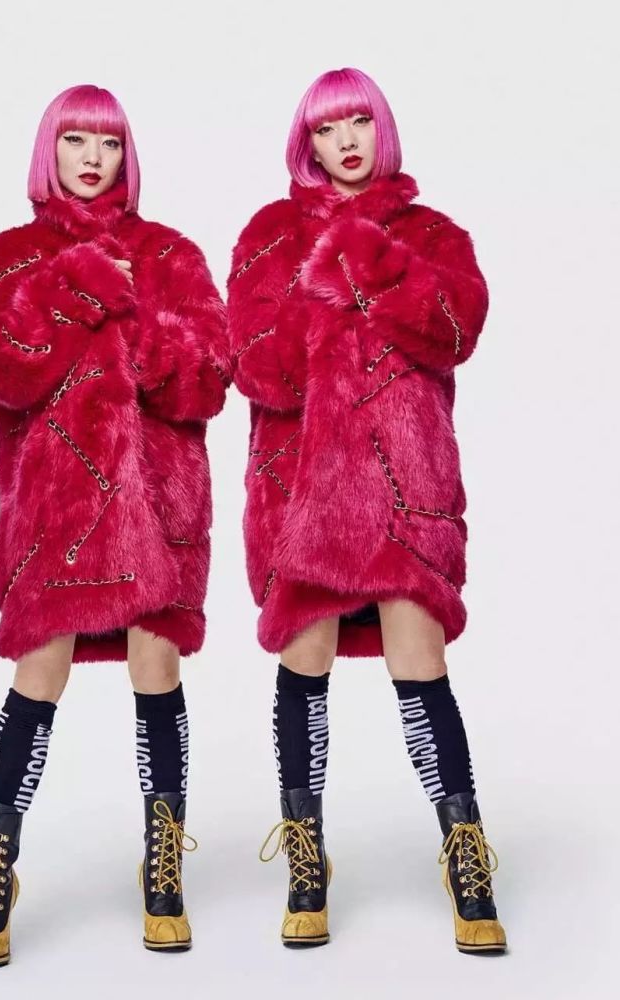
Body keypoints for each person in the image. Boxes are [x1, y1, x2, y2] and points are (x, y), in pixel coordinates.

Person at [227, 67, 506, 954]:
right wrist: (326, 283)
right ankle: (306, 858)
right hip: (303, 493)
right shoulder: (269, 236)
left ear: (381, 128)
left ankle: (465, 854)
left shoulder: (431, 235)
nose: (345, 141)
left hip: (403, 486)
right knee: (303, 659)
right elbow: (257, 369)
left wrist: (367, 260)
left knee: (419, 662)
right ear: (305, 142)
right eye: (326, 127)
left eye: (358, 121)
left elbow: (455, 332)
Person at [0, 83, 229, 967]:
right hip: (57, 512)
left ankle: (163, 865)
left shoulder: (170, 254)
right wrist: (77, 288)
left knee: (157, 667)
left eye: (108, 143)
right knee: (39, 675)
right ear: (51, 150)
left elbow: (207, 381)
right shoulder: (12, 257)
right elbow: (0, 366)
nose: (92, 158)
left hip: (158, 508)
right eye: (75, 140)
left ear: (127, 156)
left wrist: (131, 322)